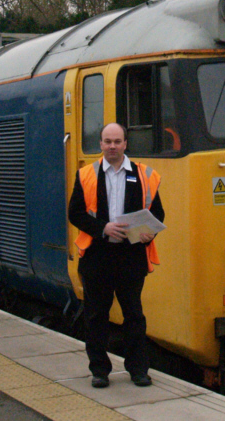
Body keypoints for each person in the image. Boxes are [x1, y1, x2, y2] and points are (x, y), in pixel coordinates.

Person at [68, 123, 165, 389]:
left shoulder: (145, 175)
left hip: (131, 256)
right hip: (97, 255)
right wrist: (102, 228)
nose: (112, 146)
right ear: (100, 144)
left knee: (134, 315)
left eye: (117, 141)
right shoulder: (86, 175)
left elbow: (158, 214)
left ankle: (138, 371)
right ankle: (99, 371)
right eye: (107, 141)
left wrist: (149, 234)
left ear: (125, 144)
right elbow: (74, 213)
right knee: (96, 316)